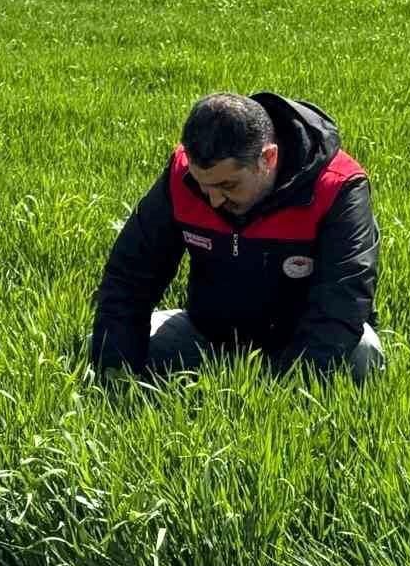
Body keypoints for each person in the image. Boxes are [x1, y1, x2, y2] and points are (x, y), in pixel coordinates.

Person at [91, 92, 383, 382]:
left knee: (361, 356)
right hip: (208, 333)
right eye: (204, 186)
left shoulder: (337, 185)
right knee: (110, 343)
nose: (214, 200)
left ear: (268, 158)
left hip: (300, 338)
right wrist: (116, 373)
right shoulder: (183, 174)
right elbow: (131, 275)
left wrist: (291, 395)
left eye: (228, 185)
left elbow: (343, 299)